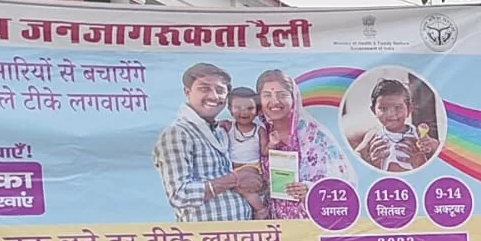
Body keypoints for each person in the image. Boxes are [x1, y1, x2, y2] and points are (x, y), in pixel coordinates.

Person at [153, 62, 260, 223]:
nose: (214, 96)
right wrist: (235, 178)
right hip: (206, 240)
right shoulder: (178, 133)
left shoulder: (220, 131)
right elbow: (179, 195)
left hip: (240, 236)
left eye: (220, 90)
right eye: (204, 88)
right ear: (187, 92)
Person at [257, 69, 357, 220]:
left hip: (311, 222)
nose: (275, 101)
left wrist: (311, 189)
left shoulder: (313, 135)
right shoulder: (258, 133)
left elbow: (343, 181)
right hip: (272, 226)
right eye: (267, 95)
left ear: (294, 99)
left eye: (282, 94)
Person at [352, 78, 437, 172]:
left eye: (398, 107)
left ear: (409, 109)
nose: (391, 114)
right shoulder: (374, 134)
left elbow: (437, 148)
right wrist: (369, 162)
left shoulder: (416, 134)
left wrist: (429, 144)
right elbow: (357, 154)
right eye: (383, 108)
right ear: (373, 111)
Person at [221, 85, 269, 218]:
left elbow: (264, 151)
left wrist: (274, 143)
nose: (244, 112)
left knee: (243, 186)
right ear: (230, 109)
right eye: (238, 108)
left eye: (250, 108)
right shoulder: (228, 126)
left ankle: (260, 209)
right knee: (236, 187)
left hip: (252, 167)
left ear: (257, 110)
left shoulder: (259, 130)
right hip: (232, 168)